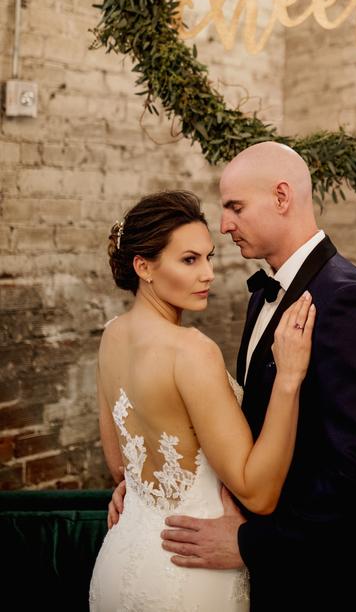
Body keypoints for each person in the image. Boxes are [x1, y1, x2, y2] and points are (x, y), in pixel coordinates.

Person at [109, 142, 356, 611]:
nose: (224, 224)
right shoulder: (263, 294)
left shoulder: (347, 301)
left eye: (235, 207)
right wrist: (155, 486)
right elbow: (242, 428)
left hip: (325, 582)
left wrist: (251, 544)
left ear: (282, 197)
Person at [89, 189, 316, 612]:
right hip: (187, 574)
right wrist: (289, 379)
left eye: (209, 257)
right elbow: (259, 493)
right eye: (189, 260)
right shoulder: (191, 351)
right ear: (144, 267)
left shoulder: (112, 336)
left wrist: (133, 489)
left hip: (120, 562)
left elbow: (121, 466)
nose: (208, 273)